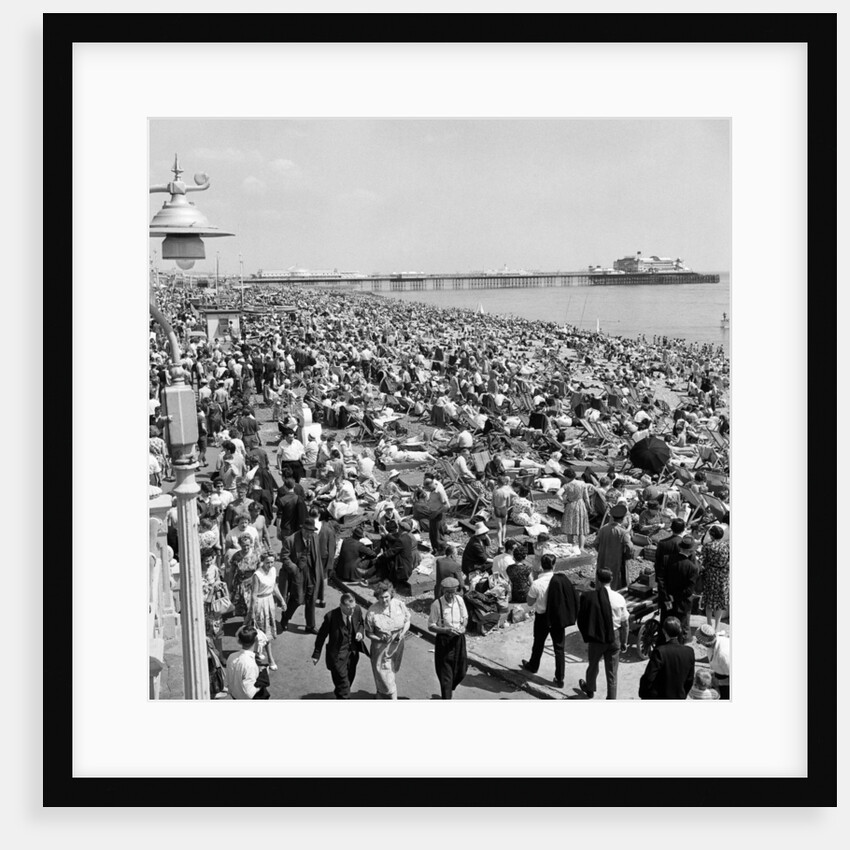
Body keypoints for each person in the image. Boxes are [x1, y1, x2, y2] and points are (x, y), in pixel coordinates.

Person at [520, 554, 577, 688]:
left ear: (541, 566)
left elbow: (529, 602)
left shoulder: (537, 583)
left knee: (538, 643)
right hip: (557, 617)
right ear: (554, 565)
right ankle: (560, 678)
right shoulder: (561, 580)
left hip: (542, 617)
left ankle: (533, 665)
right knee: (559, 648)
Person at [577, 568, 630, 699]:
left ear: (597, 579)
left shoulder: (589, 597)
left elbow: (581, 618)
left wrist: (586, 635)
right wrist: (624, 641)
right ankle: (611, 698)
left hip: (596, 637)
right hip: (615, 637)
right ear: (611, 579)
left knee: (593, 665)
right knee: (612, 673)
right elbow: (625, 624)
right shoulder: (619, 598)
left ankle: (590, 689)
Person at [311, 592, 368, 699]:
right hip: (337, 656)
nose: (351, 611)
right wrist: (316, 654)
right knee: (344, 685)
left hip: (353, 653)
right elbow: (321, 636)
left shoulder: (357, 610)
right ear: (341, 605)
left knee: (348, 680)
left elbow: (361, 623)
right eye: (348, 608)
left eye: (353, 607)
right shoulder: (330, 617)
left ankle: (340, 695)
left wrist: (360, 632)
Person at [364, 581, 411, 699]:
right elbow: (368, 632)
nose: (384, 600)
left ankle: (380, 693)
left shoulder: (399, 605)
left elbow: (407, 621)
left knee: (391, 671)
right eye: (381, 597)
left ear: (391, 595)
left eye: (387, 597)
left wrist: (402, 633)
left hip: (397, 645)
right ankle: (392, 697)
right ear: (377, 597)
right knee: (385, 675)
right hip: (381, 648)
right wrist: (379, 638)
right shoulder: (372, 611)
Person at [279, 517, 323, 634]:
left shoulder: (314, 537)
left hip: (311, 571)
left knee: (311, 597)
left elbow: (317, 554)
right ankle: (285, 617)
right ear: (302, 529)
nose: (310, 534)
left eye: (311, 531)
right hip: (298, 571)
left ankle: (310, 625)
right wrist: (293, 568)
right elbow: (284, 556)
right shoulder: (291, 540)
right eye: (308, 531)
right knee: (297, 599)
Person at [427, 577, 469, 699]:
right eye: (447, 592)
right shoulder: (436, 604)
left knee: (461, 670)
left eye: (453, 592)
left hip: (459, 640)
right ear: (442, 591)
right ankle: (446, 696)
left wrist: (463, 627)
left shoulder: (460, 600)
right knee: (445, 676)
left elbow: (465, 618)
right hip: (444, 641)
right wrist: (446, 630)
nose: (450, 595)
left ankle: (450, 687)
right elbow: (431, 626)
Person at [638, 616, 696, 700]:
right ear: (680, 630)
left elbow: (649, 677)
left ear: (664, 631)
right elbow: (689, 680)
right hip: (679, 696)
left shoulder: (660, 652)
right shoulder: (690, 652)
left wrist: (644, 694)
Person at [247, 552, 286, 671]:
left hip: (269, 602)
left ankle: (257, 651)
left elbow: (274, 586)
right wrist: (252, 612)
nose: (269, 565)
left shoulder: (273, 570)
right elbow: (253, 595)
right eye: (267, 562)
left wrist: (282, 600)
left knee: (265, 630)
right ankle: (270, 659)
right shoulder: (257, 575)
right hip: (260, 603)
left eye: (271, 562)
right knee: (265, 632)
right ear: (262, 561)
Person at [661, 536, 700, 643]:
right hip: (682, 604)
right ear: (690, 551)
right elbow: (689, 590)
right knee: (681, 628)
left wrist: (667, 596)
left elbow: (661, 580)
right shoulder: (693, 568)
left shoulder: (667, 559)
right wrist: (675, 597)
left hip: (667, 600)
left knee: (666, 625)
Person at [594, 503, 633, 590]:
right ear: (623, 519)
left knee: (602, 577)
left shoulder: (603, 529)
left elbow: (596, 543)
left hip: (603, 558)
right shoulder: (623, 532)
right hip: (616, 560)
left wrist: (601, 551)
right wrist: (627, 556)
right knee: (616, 579)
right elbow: (630, 547)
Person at [225, 626, 269, 700]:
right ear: (256, 641)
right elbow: (249, 693)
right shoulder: (250, 664)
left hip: (234, 695)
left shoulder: (231, 656)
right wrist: (263, 679)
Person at [701, 525, 730, 631]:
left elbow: (703, 561)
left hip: (710, 576)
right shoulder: (727, 546)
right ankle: (717, 626)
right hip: (723, 577)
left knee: (709, 601)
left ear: (712, 535)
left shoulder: (707, 546)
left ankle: (709, 623)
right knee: (719, 603)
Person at [654, 517, 685, 609]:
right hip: (679, 582)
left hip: (665, 582)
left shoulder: (662, 543)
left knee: (665, 610)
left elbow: (657, 562)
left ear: (671, 528)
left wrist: (658, 580)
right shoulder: (684, 544)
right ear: (683, 529)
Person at [558, 467, 591, 550]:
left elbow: (558, 494)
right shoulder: (582, 483)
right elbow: (586, 498)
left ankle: (571, 546)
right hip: (581, 505)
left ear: (566, 477)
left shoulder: (566, 485)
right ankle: (581, 547)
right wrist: (589, 507)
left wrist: (564, 501)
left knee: (570, 526)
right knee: (581, 527)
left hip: (570, 506)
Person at [695, 623, 730, 699]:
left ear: (705, 644)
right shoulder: (713, 642)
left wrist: (718, 682)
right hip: (719, 675)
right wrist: (698, 660)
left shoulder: (723, 655)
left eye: (699, 642)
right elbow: (711, 656)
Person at [491, 474, 516, 549]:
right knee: (504, 525)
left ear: (497, 483)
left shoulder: (495, 491)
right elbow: (508, 504)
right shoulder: (507, 492)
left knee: (499, 529)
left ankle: (499, 544)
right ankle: (503, 539)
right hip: (504, 509)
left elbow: (492, 502)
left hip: (497, 509)